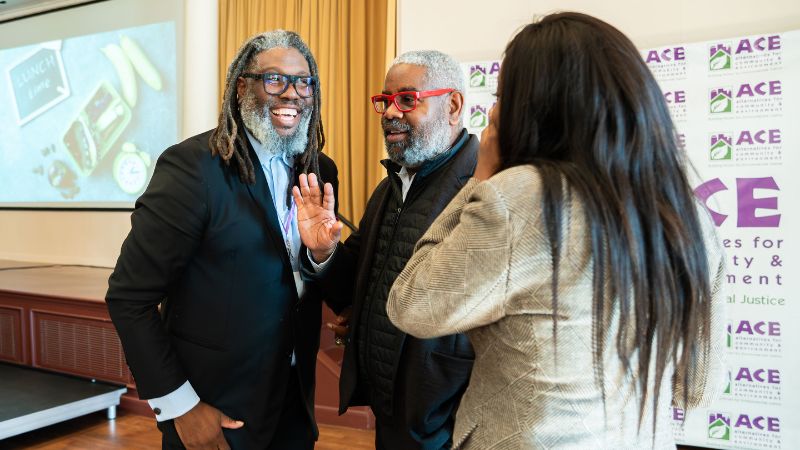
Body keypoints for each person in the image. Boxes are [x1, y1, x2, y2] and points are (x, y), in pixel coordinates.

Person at [387, 12, 728, 449]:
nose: (493, 110)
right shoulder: (689, 214)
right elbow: (697, 389)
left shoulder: (520, 197)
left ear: (534, 105)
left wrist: (480, 181)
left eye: (501, 95)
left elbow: (411, 304)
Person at [105, 30, 338, 449]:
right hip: (214, 410)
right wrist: (180, 407)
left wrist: (320, 256)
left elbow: (301, 280)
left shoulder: (320, 168)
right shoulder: (193, 168)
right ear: (241, 86)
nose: (293, 93)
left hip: (293, 405)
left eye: (304, 82)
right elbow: (129, 298)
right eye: (274, 80)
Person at [292, 50, 476, 449]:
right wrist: (324, 252)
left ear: (454, 105)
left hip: (447, 418)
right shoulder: (391, 188)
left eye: (408, 100)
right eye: (385, 101)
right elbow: (351, 287)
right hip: (391, 407)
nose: (391, 113)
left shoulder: (480, 190)